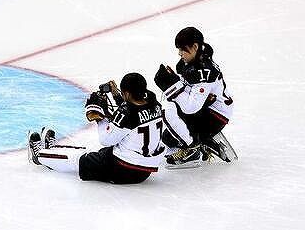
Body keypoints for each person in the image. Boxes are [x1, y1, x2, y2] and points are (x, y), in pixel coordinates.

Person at [28, 73, 191, 184]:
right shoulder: (153, 103)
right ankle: (54, 149)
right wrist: (117, 95)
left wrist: (98, 117)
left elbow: (106, 139)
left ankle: (39, 155)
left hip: (123, 169)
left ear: (127, 94)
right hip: (143, 168)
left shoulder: (127, 115)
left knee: (79, 160)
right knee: (92, 152)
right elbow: (132, 111)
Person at [154, 27, 236, 168]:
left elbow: (191, 107)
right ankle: (205, 140)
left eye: (182, 49)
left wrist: (171, 87)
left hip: (215, 116)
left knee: (168, 113)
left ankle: (192, 150)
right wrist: (174, 80)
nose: (179, 53)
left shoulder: (205, 70)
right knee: (168, 138)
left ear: (195, 47)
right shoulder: (194, 59)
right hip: (207, 108)